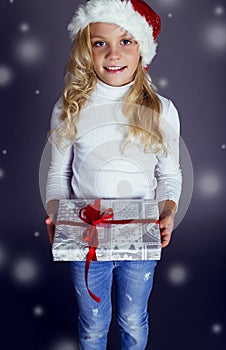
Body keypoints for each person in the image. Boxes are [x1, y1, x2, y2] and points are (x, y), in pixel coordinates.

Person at [45, 0, 182, 349]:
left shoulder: (161, 110)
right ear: (85, 50)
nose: (113, 54)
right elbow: (58, 173)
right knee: (93, 324)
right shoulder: (70, 107)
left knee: (133, 320)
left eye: (125, 41)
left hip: (141, 239)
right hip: (87, 239)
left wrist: (168, 209)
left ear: (142, 49)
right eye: (100, 42)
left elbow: (170, 174)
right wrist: (58, 215)